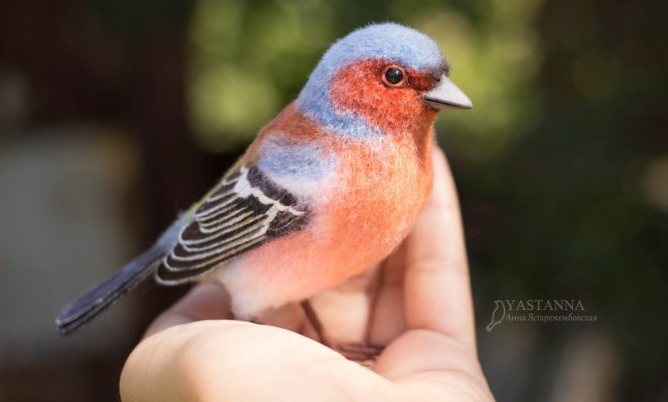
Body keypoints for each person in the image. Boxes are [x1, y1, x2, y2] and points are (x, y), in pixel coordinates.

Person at [120, 148, 494, 401]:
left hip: (291, 265)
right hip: (238, 244)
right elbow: (244, 213)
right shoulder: (320, 164)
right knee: (256, 301)